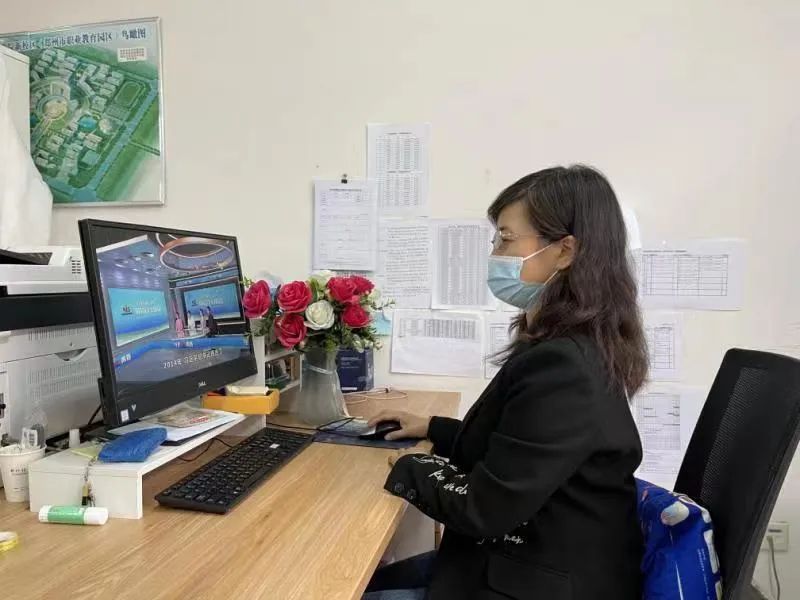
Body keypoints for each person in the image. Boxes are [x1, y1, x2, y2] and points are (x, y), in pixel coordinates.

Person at [364, 165, 648, 600]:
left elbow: (484, 509)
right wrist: (433, 428)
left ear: (565, 251)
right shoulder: (569, 344)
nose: (496, 253)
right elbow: (522, 446)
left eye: (506, 239)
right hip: (531, 559)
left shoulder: (565, 365)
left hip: (538, 580)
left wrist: (408, 467)